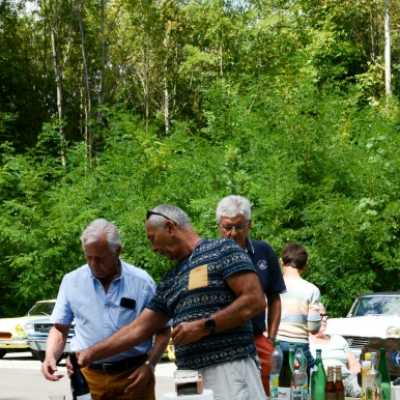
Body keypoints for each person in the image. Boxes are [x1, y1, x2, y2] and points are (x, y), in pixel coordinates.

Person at [77, 205, 267, 400]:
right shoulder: (171, 279)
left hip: (228, 370)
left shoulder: (223, 250)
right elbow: (139, 328)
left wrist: (205, 326)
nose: (154, 248)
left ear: (169, 227)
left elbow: (255, 300)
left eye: (153, 238)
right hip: (189, 378)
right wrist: (90, 353)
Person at [41, 218, 170, 400]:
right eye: (89, 257)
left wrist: (150, 365)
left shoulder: (142, 283)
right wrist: (50, 356)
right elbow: (59, 329)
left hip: (133, 376)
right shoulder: (71, 281)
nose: (93, 264)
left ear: (117, 251)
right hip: (88, 378)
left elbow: (163, 331)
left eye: (100, 258)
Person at [216, 195, 286, 394]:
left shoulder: (263, 251)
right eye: (227, 227)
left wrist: (271, 339)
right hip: (223, 342)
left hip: (257, 339)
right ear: (219, 225)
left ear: (249, 225)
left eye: (239, 227)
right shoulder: (209, 254)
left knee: (264, 392)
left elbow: (275, 297)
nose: (232, 233)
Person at [277, 242, 321, 380]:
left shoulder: (272, 286)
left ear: (281, 261)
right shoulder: (312, 290)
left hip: (275, 345)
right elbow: (313, 328)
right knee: (301, 388)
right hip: (299, 347)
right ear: (305, 266)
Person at [309, 304, 361, 398]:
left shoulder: (338, 339)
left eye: (325, 315)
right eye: (320, 316)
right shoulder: (306, 342)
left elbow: (354, 364)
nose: (324, 319)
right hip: (320, 385)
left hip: (345, 383)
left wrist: (353, 375)